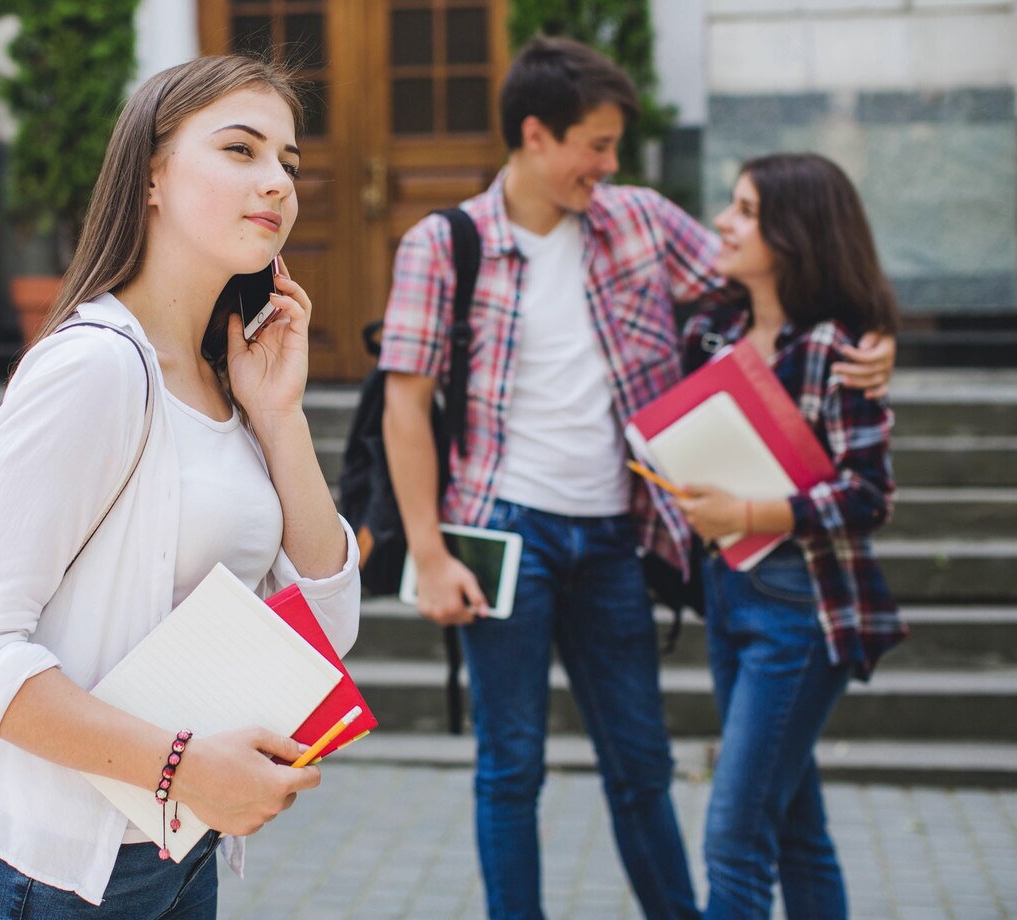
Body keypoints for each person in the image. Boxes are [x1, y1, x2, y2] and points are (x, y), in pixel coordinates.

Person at [378, 37, 895, 920]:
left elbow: (772, 280)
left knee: (641, 765)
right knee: (511, 765)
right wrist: (427, 553)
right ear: (537, 136)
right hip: (501, 531)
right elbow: (404, 406)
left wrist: (873, 340)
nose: (610, 166)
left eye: (616, 148)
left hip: (617, 534)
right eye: (598, 144)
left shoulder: (641, 223)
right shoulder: (444, 244)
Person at [0, 55, 360, 919]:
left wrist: (281, 418)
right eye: (240, 150)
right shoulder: (94, 369)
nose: (275, 181)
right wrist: (184, 766)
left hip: (175, 853)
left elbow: (325, 631)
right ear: (152, 176)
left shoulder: (226, 382)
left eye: (289, 163)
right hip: (40, 873)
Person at [677, 153, 907, 920]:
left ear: (793, 233)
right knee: (796, 828)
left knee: (734, 837)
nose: (723, 221)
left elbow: (868, 495)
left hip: (800, 609)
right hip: (726, 591)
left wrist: (747, 514)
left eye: (744, 209)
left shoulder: (837, 349)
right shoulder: (717, 328)